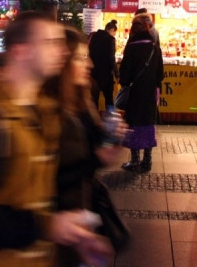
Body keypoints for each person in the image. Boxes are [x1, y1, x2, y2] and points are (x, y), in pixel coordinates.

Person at [0, 11, 109, 266]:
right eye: (50, 43)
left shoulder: (42, 113)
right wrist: (48, 226)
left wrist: (73, 237)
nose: (62, 51)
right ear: (21, 51)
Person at [44, 26, 125, 266]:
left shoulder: (82, 101)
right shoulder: (48, 113)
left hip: (81, 214)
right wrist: (97, 159)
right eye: (81, 57)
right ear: (63, 62)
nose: (88, 64)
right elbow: (51, 175)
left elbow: (89, 150)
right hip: (58, 223)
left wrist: (110, 138)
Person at [118, 14, 164, 172]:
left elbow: (124, 76)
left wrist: (126, 82)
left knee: (134, 125)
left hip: (135, 94)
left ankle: (135, 160)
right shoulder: (155, 48)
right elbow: (160, 74)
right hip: (150, 93)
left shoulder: (131, 48)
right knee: (148, 125)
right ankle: (147, 161)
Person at [88, 20, 119, 111]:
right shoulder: (110, 39)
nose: (114, 35)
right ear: (112, 30)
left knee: (94, 99)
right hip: (106, 75)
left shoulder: (94, 36)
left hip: (94, 73)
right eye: (114, 33)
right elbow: (111, 58)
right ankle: (110, 121)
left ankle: (94, 121)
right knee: (109, 99)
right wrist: (117, 74)